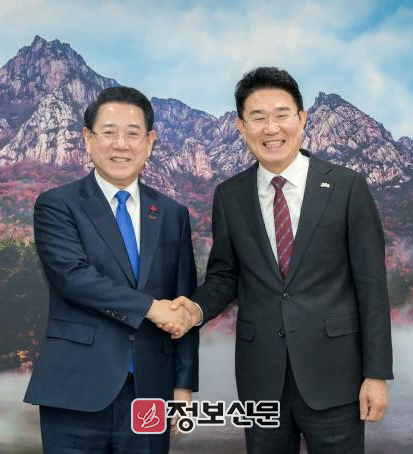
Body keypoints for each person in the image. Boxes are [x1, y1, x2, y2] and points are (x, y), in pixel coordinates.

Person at [166, 67, 393, 454]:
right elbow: (225, 276)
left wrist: (376, 374)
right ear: (241, 127)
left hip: (336, 375)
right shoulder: (230, 196)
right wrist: (194, 310)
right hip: (261, 377)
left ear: (301, 118)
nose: (271, 128)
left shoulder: (346, 186)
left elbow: (371, 285)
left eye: (281, 114)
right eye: (258, 117)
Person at [24, 86, 199, 454]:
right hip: (75, 388)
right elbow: (73, 277)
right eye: (109, 132)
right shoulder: (57, 204)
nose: (121, 144)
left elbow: (183, 299)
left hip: (150, 391)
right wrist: (151, 308)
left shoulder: (172, 214)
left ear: (149, 143)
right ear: (88, 139)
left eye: (133, 133)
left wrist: (183, 386)